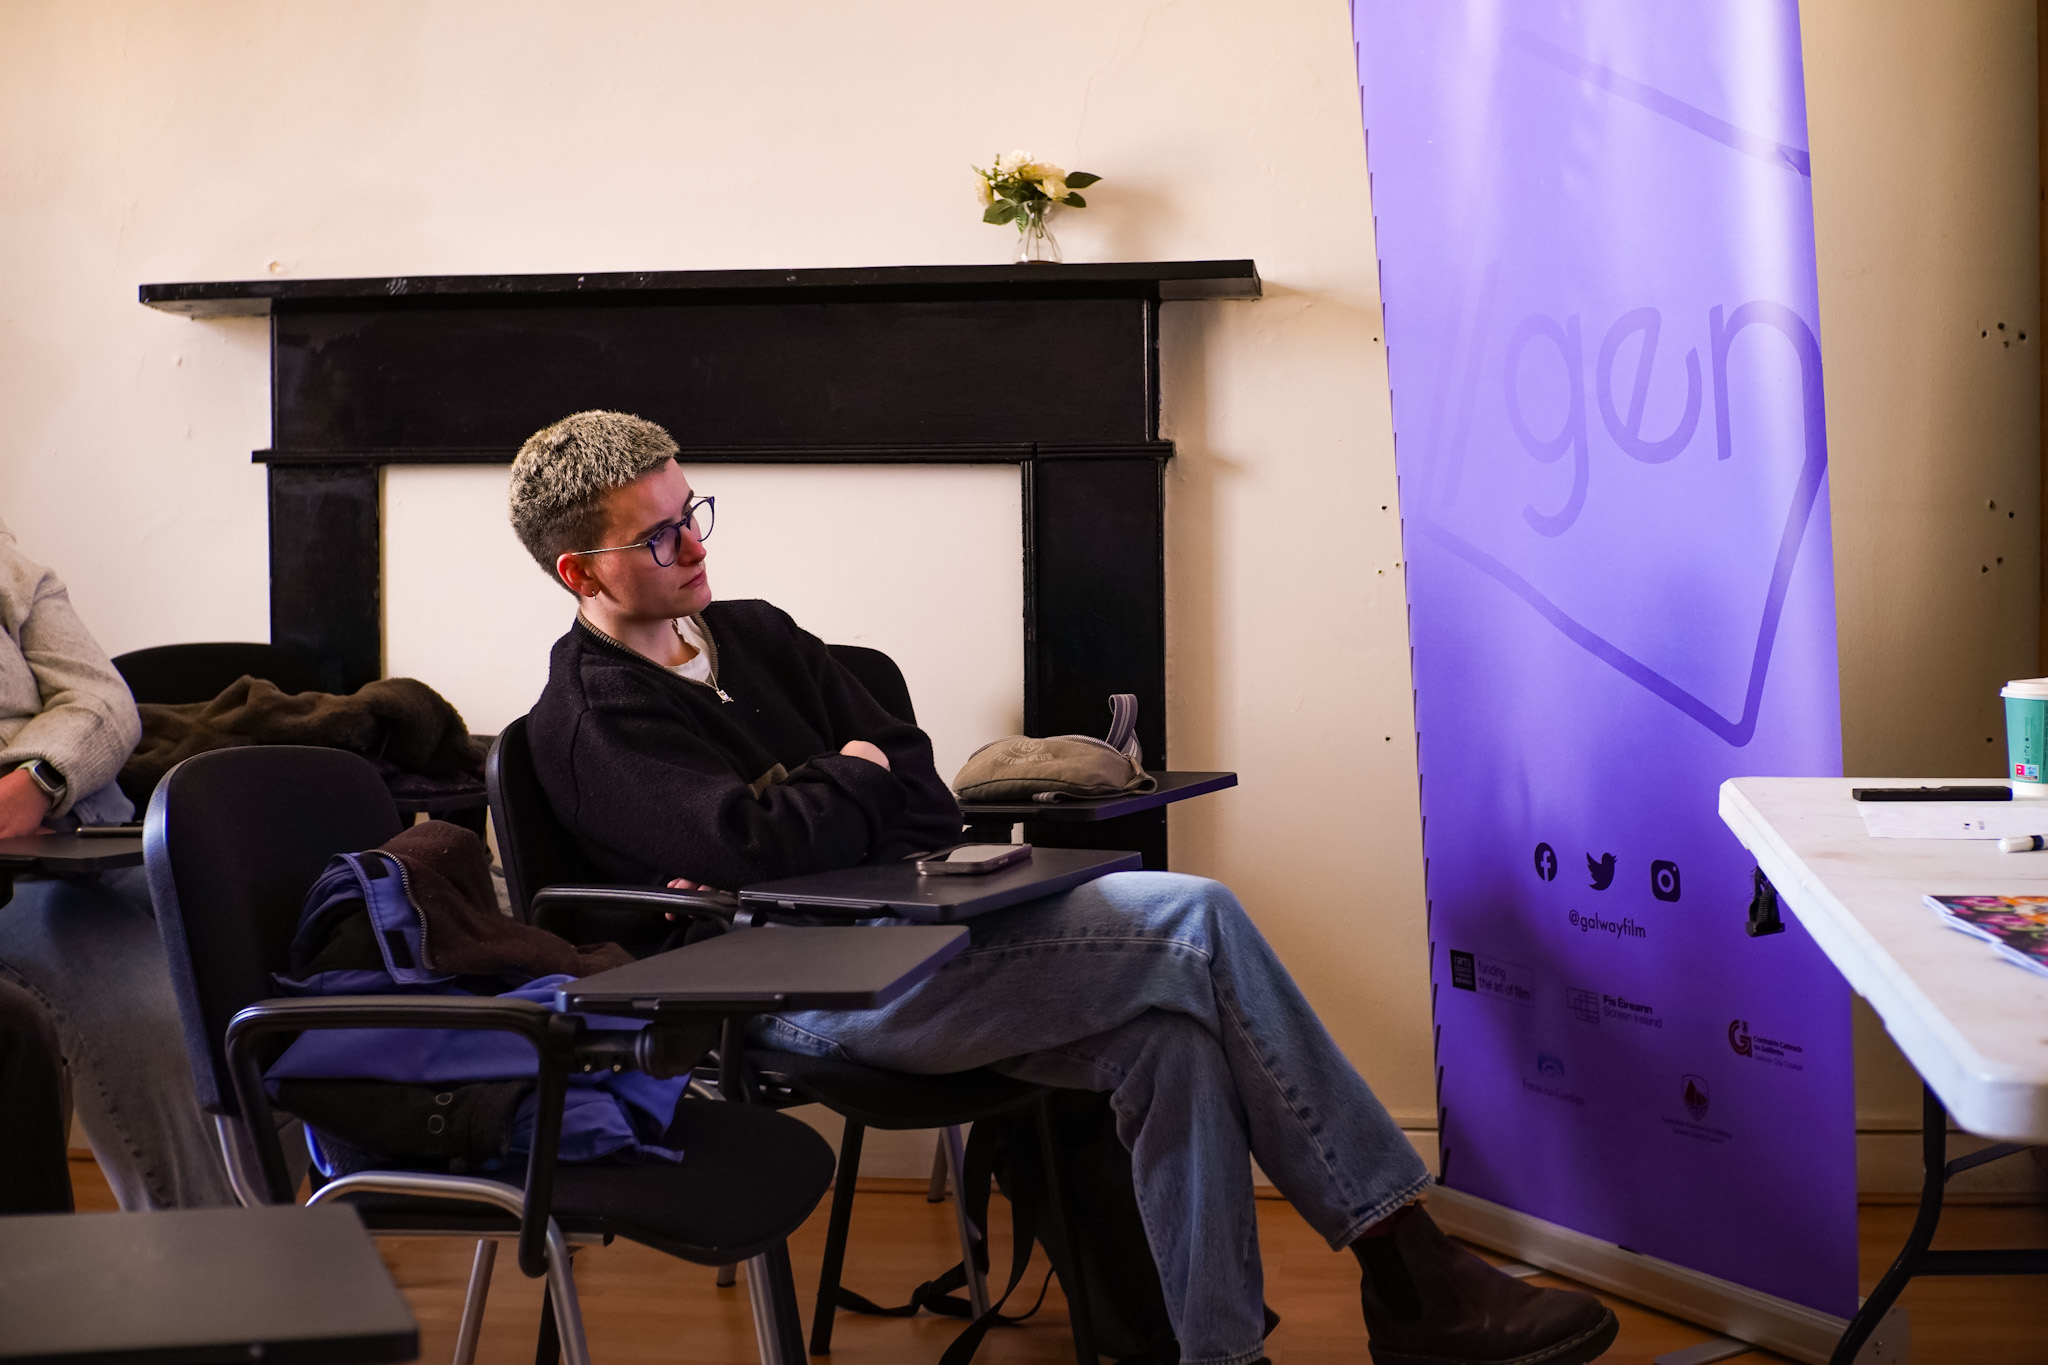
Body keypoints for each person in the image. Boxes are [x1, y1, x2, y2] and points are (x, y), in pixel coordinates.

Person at [511, 411, 1616, 1365]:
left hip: (920, 928)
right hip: (796, 993)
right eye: (657, 536)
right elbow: (758, 849)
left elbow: (923, 795)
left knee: (1169, 1042)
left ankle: (1222, 1352)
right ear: (580, 573)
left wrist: (824, 798)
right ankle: (1407, 1265)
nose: (694, 545)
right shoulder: (590, 721)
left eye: (691, 512)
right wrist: (841, 781)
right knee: (1193, 914)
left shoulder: (754, 633)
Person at [0, 518, 233, 1210]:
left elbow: (103, 699)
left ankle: (269, 1224)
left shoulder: (14, 571)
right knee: (150, 1007)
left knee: (270, 959)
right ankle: (207, 1258)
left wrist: (37, 778)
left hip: (91, 831)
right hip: (13, 884)